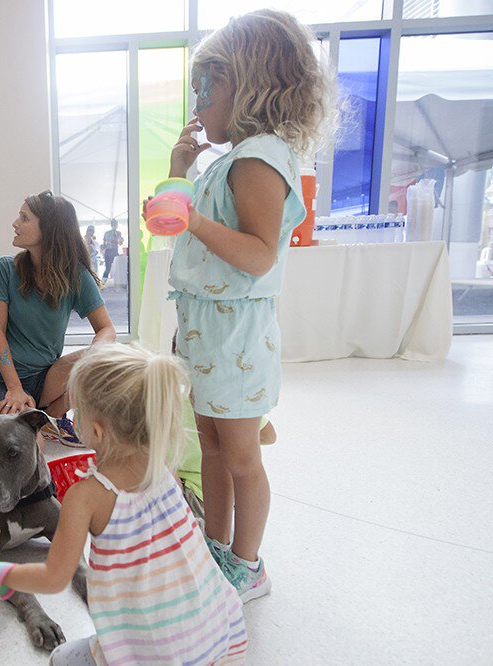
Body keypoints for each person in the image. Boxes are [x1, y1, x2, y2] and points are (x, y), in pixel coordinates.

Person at [165, 9, 333, 602]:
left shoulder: (259, 157)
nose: (198, 101)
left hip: (235, 335)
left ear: (246, 84)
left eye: (205, 87)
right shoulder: (230, 159)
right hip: (209, 331)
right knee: (210, 447)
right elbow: (180, 225)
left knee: (240, 456)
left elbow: (259, 254)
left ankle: (248, 563)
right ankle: (217, 547)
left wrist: (194, 221)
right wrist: (179, 171)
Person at [0, 343, 247, 664]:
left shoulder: (87, 496)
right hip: (217, 630)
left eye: (76, 411)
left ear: (97, 431)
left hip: (152, 650)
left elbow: (54, 577)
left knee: (59, 659)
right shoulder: (165, 467)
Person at [0, 192, 116, 446]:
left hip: (45, 378)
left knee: (104, 359)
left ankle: (53, 415)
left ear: (49, 229)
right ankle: (38, 421)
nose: (15, 223)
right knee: (31, 445)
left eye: (24, 218)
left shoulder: (76, 276)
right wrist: (14, 388)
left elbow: (106, 329)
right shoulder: (5, 269)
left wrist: (93, 361)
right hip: (0, 380)